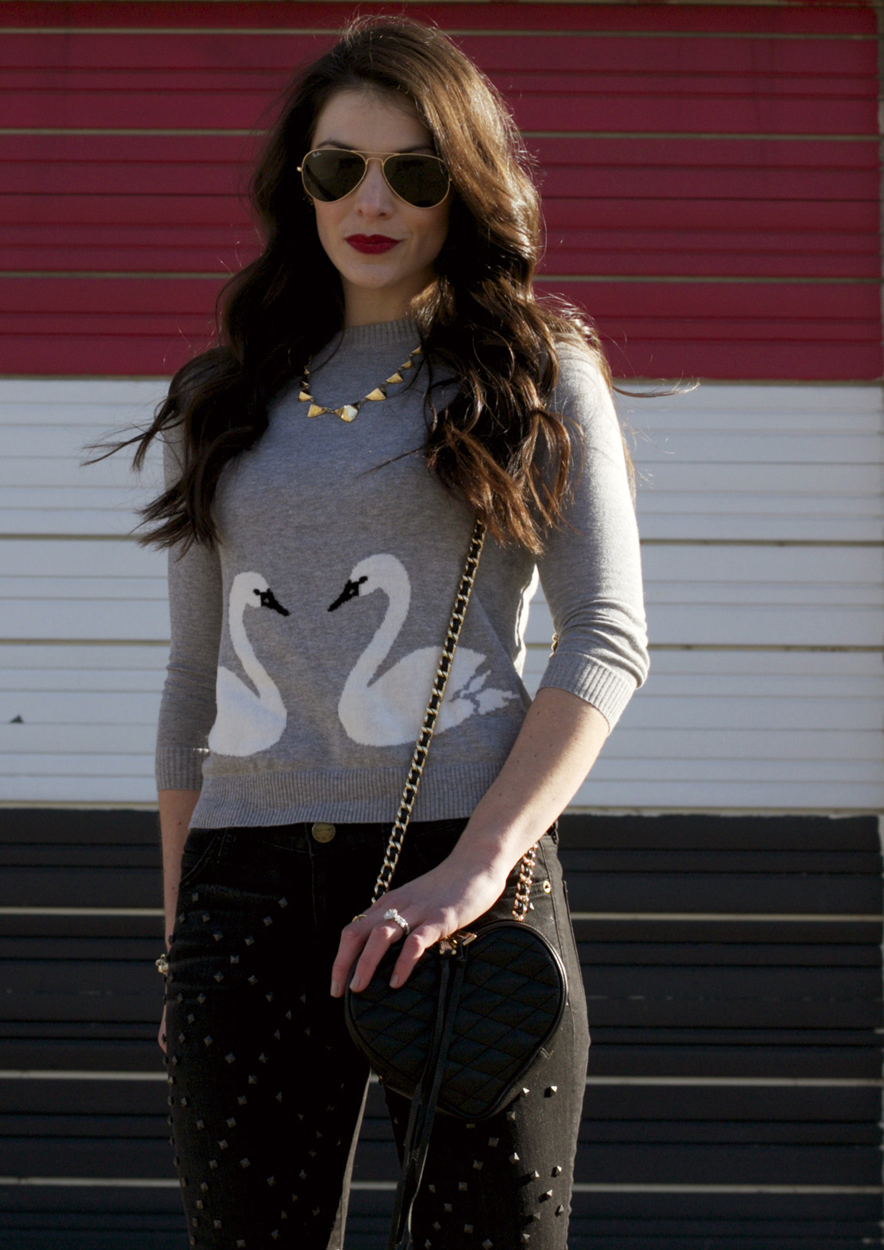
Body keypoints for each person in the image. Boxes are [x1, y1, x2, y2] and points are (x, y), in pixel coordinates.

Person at [128, 17, 647, 1249]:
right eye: (336, 167)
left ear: (460, 187)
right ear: (295, 183)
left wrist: (472, 870)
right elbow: (193, 682)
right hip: (244, 892)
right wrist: (177, 936)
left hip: (462, 881)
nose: (371, 199)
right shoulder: (225, 392)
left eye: (412, 171)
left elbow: (604, 636)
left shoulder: (528, 369)